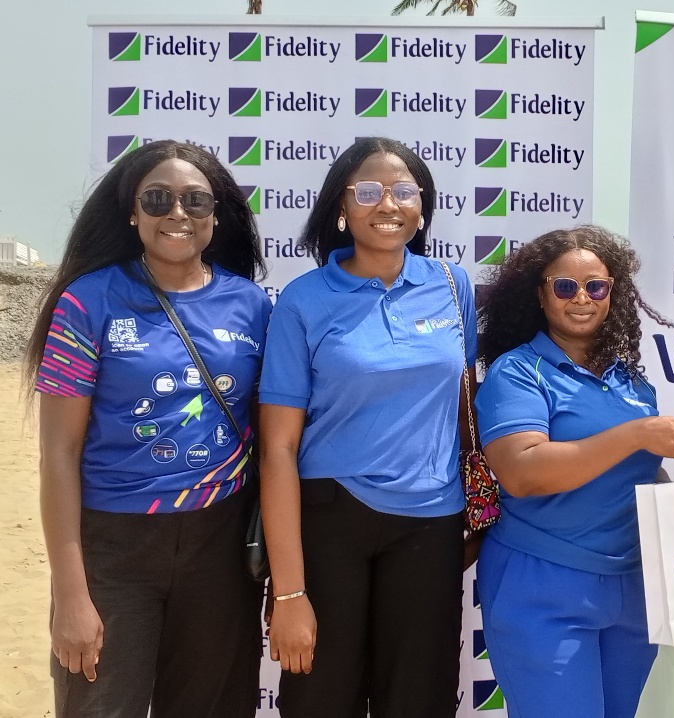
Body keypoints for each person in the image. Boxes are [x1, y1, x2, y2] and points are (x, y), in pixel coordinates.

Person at [27, 140, 270, 718]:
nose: (177, 213)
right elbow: (58, 454)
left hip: (220, 543)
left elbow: (273, 438)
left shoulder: (253, 307)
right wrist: (71, 593)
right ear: (132, 213)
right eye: (158, 199)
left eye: (195, 200)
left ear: (216, 215)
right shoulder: (87, 303)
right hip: (113, 550)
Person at [258, 137, 474, 718]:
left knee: (420, 701)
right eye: (369, 191)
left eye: (404, 191)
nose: (388, 204)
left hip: (431, 523)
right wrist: (290, 591)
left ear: (422, 208)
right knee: (321, 700)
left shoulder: (452, 286)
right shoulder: (303, 300)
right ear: (341, 207)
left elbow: (464, 408)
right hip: (330, 522)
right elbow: (278, 447)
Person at [474, 226, 674, 718]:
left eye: (595, 286)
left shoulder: (632, 382)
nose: (581, 298)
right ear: (540, 294)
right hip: (542, 584)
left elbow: (637, 473)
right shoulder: (517, 372)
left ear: (612, 293)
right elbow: (521, 472)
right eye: (565, 286)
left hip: (632, 589)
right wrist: (637, 434)